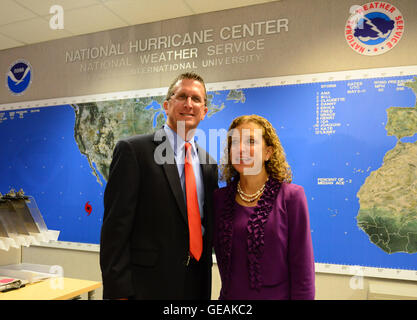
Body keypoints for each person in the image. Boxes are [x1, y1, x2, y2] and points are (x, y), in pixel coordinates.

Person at [100, 72, 218, 300]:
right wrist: (118, 293)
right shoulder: (133, 152)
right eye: (182, 96)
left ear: (204, 111)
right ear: (167, 105)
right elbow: (115, 230)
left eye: (196, 99)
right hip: (146, 287)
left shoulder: (208, 164)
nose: (188, 104)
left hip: (196, 284)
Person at [213, 114, 315, 300]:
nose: (241, 149)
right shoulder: (219, 199)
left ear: (268, 152)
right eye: (234, 143)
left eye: (251, 141)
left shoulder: (291, 197)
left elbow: (303, 273)